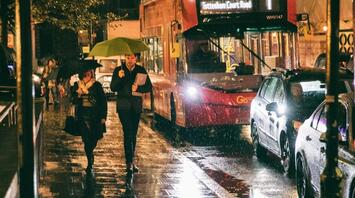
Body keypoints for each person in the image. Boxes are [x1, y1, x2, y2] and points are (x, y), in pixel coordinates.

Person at [110, 54, 152, 180]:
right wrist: (120, 78)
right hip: (123, 107)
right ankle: (128, 163)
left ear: (136, 59)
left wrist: (138, 87)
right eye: (128, 57)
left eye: (132, 57)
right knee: (127, 132)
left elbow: (149, 87)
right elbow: (113, 87)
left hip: (136, 106)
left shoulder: (140, 70)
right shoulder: (119, 70)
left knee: (133, 134)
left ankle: (131, 161)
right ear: (125, 58)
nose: (130, 60)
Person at [71, 68, 107, 176]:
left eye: (90, 72)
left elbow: (102, 101)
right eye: (86, 72)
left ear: (92, 73)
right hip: (83, 116)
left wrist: (103, 116)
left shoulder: (97, 85)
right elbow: (73, 100)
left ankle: (90, 152)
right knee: (86, 140)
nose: (87, 73)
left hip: (95, 116)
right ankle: (90, 160)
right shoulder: (77, 85)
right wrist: (78, 95)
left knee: (94, 139)